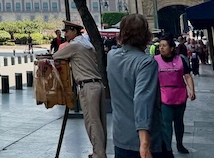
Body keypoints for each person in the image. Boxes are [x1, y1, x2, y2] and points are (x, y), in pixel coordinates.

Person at [108, 14, 174, 158]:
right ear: (146, 35)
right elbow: (142, 100)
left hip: (121, 138)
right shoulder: (146, 63)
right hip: (147, 142)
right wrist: (144, 143)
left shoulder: (112, 57)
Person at [53, 20, 106, 158]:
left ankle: (98, 155)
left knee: (92, 122)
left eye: (68, 31)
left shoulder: (75, 45)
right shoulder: (87, 44)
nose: (66, 34)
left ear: (74, 32)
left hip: (88, 86)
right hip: (98, 84)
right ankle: (100, 152)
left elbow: (56, 56)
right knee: (100, 122)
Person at [155, 34, 196, 154]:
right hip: (164, 95)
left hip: (179, 94)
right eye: (160, 46)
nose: (161, 48)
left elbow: (187, 76)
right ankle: (167, 147)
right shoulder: (155, 60)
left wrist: (191, 90)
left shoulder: (181, 59)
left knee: (179, 121)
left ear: (172, 48)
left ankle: (180, 144)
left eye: (164, 46)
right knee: (166, 122)